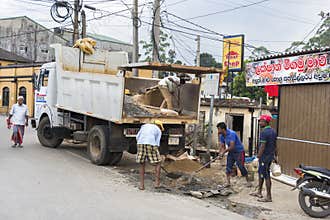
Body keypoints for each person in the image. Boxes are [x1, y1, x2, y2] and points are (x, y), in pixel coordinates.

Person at [250, 114, 277, 202]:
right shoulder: (273, 131)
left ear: (265, 122)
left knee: (266, 175)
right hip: (270, 156)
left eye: (261, 121)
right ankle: (259, 192)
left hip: (264, 157)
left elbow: (262, 146)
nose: (259, 123)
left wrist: (257, 157)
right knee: (261, 174)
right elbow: (275, 145)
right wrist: (275, 155)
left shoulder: (264, 132)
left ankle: (269, 196)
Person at [217, 122, 251, 188]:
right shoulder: (221, 136)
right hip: (231, 152)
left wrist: (223, 152)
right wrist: (220, 153)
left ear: (223, 129)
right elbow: (222, 146)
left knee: (241, 166)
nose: (218, 131)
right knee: (228, 167)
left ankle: (248, 181)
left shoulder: (232, 134)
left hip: (239, 152)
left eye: (219, 129)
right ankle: (228, 183)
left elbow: (232, 146)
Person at [136, 120, 164, 190]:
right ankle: (156, 183)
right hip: (151, 143)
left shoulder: (144, 126)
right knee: (158, 162)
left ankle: (141, 185)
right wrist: (154, 158)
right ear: (160, 126)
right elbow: (157, 144)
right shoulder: (158, 130)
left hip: (140, 143)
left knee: (142, 163)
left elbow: (137, 137)